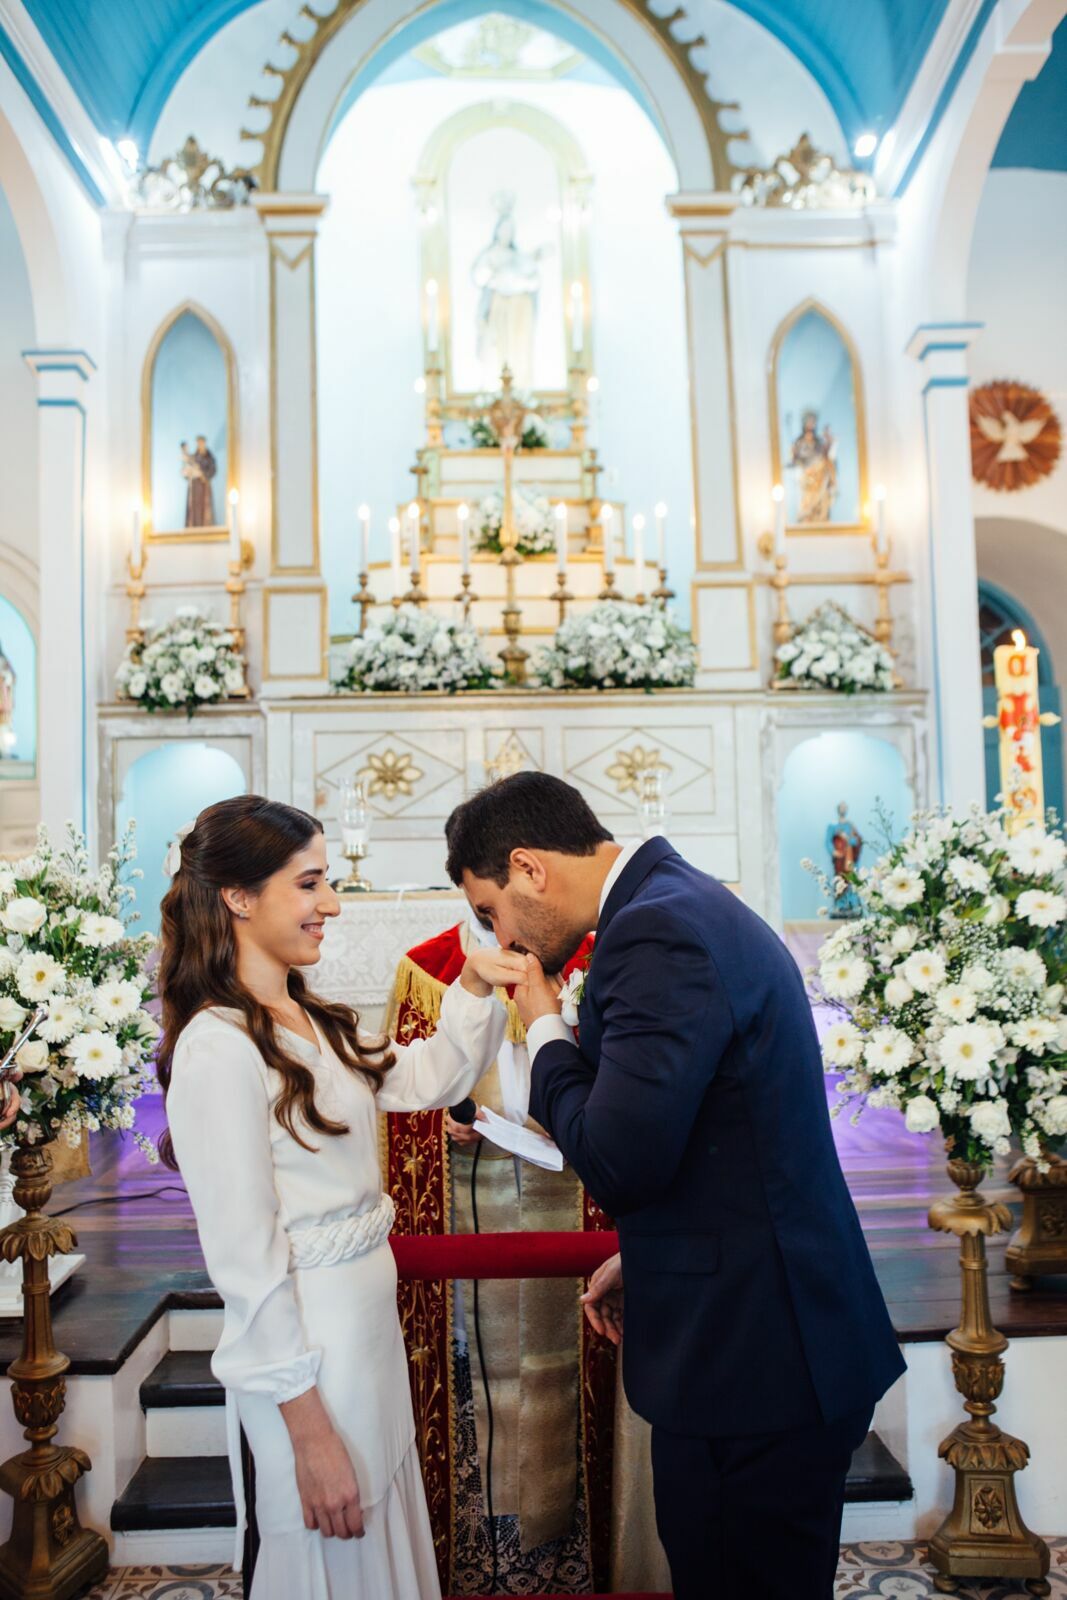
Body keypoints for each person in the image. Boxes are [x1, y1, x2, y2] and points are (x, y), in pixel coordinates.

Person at [444, 772, 905, 1600]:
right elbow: (720, 1136)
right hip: (762, 1328)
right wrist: (644, 1251)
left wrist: (544, 1024)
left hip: (757, 1359)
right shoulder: (674, 903)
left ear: (527, 867)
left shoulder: (656, 934)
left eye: (490, 910)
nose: (499, 934)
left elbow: (620, 1160)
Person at [157, 795, 525, 1600]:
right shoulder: (217, 1048)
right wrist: (309, 1430)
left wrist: (468, 984)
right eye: (309, 884)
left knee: (377, 1548)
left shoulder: (310, 1019)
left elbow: (431, 1078)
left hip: (365, 1335)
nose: (331, 904)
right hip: (307, 1361)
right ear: (239, 897)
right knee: (325, 1558)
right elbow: (247, 1267)